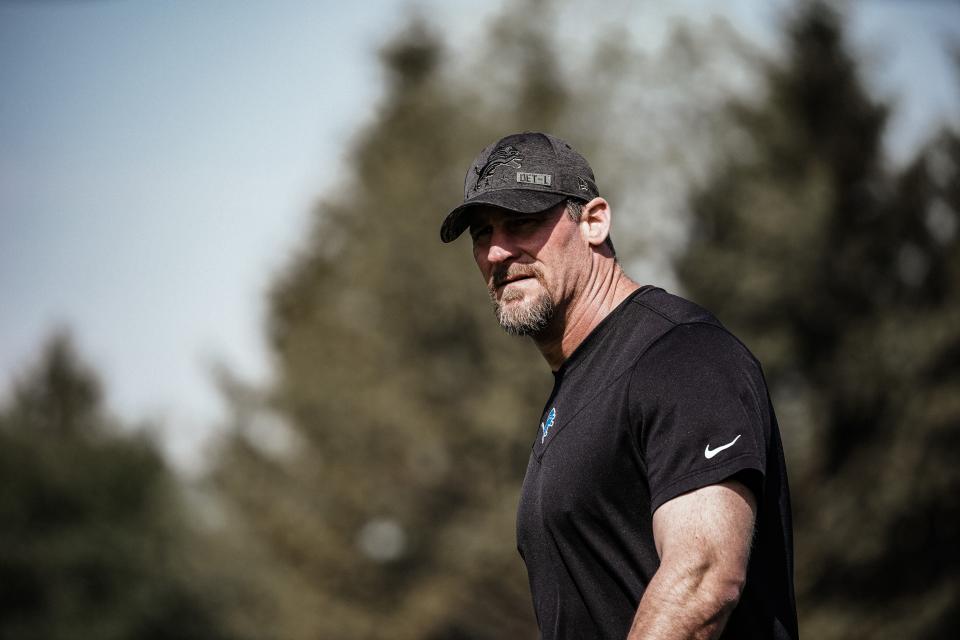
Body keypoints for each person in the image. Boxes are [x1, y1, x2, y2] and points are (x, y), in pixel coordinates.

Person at [440, 132, 799, 640]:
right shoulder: (573, 392)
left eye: (521, 222)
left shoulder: (682, 355)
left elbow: (703, 580)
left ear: (593, 221)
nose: (498, 251)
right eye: (482, 233)